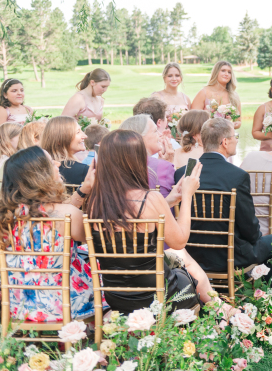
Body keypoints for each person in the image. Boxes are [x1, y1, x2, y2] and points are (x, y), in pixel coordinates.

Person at [87, 130, 203, 313]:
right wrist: (187, 196)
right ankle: (217, 311)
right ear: (137, 160)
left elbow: (130, 218)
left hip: (117, 298)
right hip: (158, 297)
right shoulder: (150, 199)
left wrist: (170, 200)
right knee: (185, 271)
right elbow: (179, 241)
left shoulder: (96, 201)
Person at [0, 147, 100, 322]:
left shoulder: (7, 215)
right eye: (51, 162)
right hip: (64, 305)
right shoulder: (67, 214)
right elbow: (96, 241)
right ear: (39, 174)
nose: (58, 164)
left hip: (20, 306)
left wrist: (84, 189)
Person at [173, 118, 272, 277]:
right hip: (229, 257)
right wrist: (255, 238)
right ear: (225, 142)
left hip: (191, 254)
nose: (237, 140)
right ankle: (262, 290)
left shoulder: (184, 172)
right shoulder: (237, 176)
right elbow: (250, 230)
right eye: (235, 136)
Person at [119, 115, 173, 196]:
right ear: (139, 138)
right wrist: (166, 165)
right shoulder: (165, 167)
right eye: (155, 131)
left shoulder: (115, 163)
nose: (160, 134)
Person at [192, 61, 242, 130]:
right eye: (223, 71)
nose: (226, 74)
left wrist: (234, 124)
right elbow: (193, 119)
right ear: (216, 72)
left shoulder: (234, 96)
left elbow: (238, 120)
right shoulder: (204, 92)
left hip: (226, 136)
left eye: (229, 72)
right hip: (206, 136)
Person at [41, 116, 90, 185]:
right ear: (60, 140)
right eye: (78, 132)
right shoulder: (84, 171)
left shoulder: (39, 169)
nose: (85, 136)